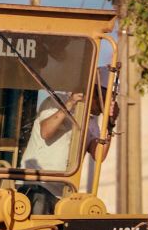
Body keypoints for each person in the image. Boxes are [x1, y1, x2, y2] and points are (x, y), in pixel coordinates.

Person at [19, 66, 119, 213]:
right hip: (38, 186)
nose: (108, 105)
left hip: (65, 192)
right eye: (107, 99)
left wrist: (110, 125)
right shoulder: (56, 102)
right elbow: (46, 132)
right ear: (95, 93)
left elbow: (99, 155)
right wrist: (70, 104)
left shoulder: (93, 122)